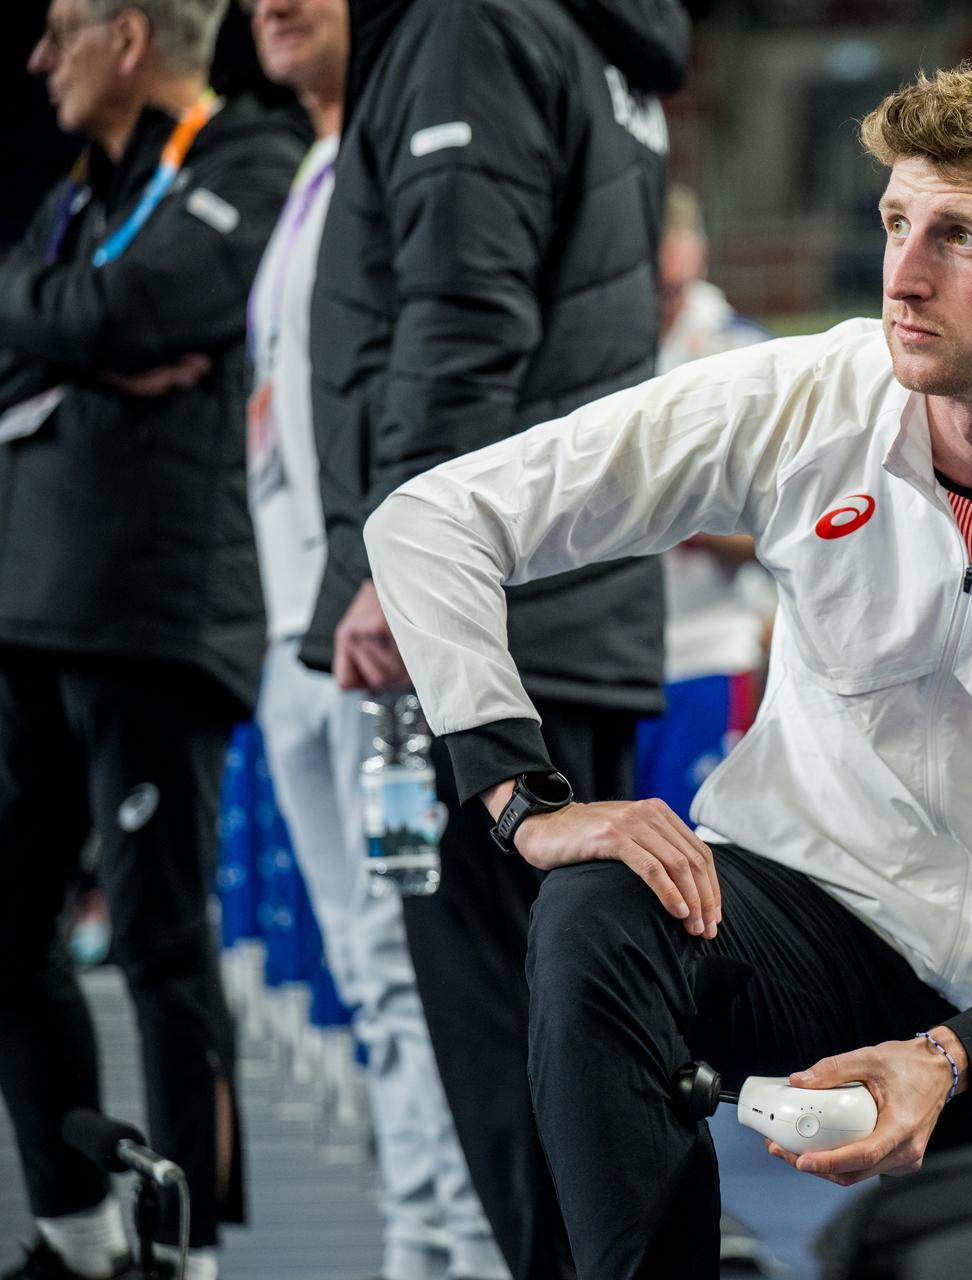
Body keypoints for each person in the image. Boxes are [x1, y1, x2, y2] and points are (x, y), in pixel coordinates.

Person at [363, 59, 972, 1278]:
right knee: (597, 913)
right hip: (789, 913)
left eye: (960, 237)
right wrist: (522, 799)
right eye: (898, 222)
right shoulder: (808, 399)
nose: (905, 275)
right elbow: (433, 521)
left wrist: (954, 1054)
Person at [300, 1, 689, 1275]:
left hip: (486, 630)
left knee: (514, 1051)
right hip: (573, 606)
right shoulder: (598, 41)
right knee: (582, 1043)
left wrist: (390, 560)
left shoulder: (477, 22)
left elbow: (465, 311)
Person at [0, 2, 301, 1277]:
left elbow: (161, 300)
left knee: (162, 942)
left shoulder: (249, 155)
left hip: (156, 614)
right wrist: (76, 320)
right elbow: (55, 312)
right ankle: (74, 1229)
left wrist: (73, 323)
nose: (36, 58)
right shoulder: (82, 185)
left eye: (61, 31)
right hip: (33, 605)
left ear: (130, 38)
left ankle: (183, 1252)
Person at [241, 3, 506, 1279]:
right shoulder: (308, 172)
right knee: (364, 956)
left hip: (377, 650)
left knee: (414, 957)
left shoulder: (405, 147)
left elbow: (432, 363)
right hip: (300, 642)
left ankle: (449, 1247)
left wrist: (373, 574)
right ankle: (425, 1233)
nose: (271, 7)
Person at [638, 184, 775, 821]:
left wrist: (683, 520)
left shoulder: (746, 359)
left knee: (699, 868)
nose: (672, 296)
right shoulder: (599, 350)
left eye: (681, 280)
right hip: (612, 660)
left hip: (707, 649)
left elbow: (796, 524)